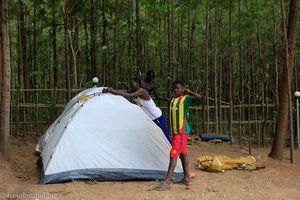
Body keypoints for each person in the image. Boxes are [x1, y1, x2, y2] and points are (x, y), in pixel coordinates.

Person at [155, 80, 203, 191]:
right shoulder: (173, 100)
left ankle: (167, 181)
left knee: (173, 154)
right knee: (182, 154)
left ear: (182, 89)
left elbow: (200, 98)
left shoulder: (185, 99)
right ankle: (186, 178)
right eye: (174, 88)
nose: (175, 90)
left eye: (177, 88)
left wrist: (189, 92)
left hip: (181, 132)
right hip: (176, 132)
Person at [102, 77, 172, 144]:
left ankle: (173, 150)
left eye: (132, 84)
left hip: (156, 116)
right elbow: (124, 91)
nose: (130, 85)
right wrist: (111, 90)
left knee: (164, 134)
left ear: (137, 84)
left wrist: (112, 91)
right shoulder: (135, 90)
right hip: (149, 118)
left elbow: (129, 95)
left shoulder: (142, 91)